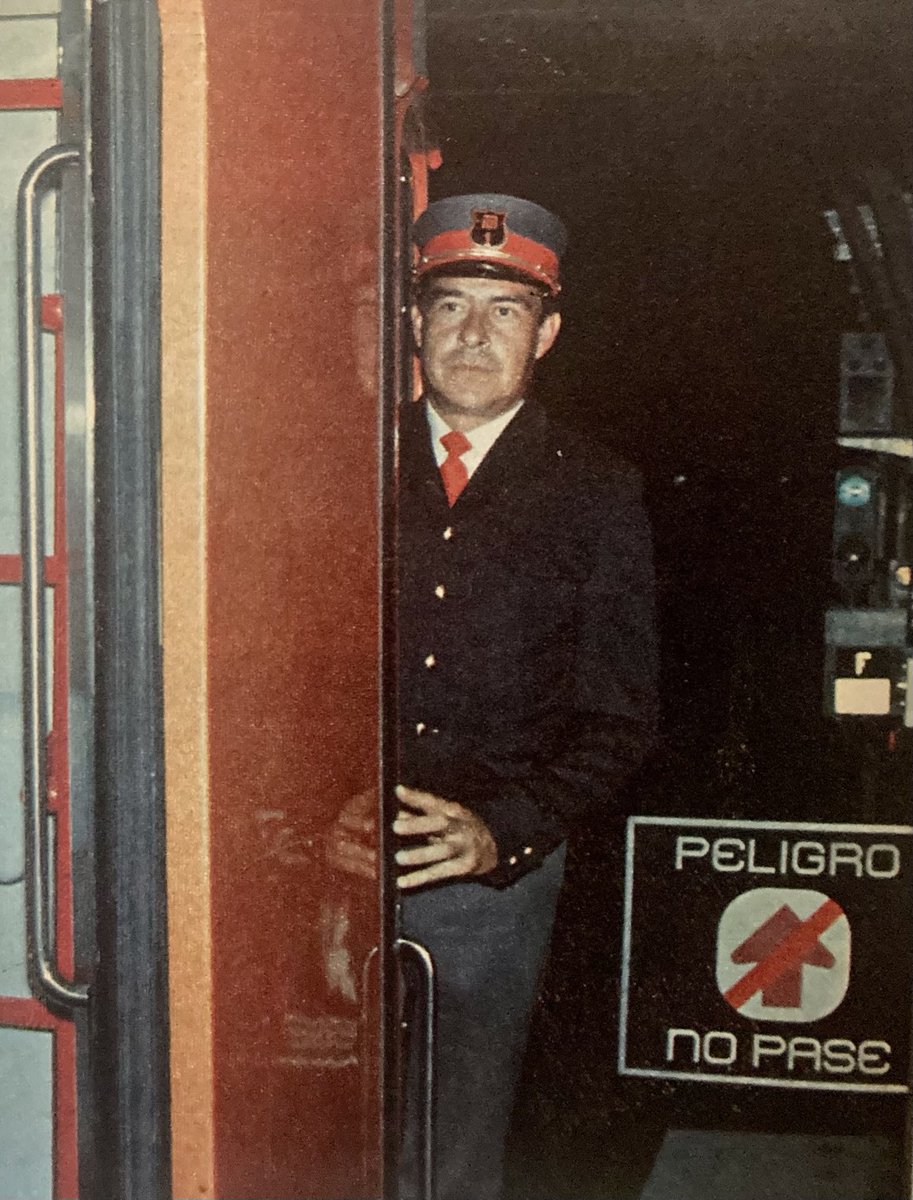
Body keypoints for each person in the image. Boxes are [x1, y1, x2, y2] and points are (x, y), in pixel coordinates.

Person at [393, 193, 659, 1200]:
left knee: (453, 1154)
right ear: (413, 323)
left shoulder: (593, 491)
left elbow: (621, 718)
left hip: (486, 894)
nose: (471, 334)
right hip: (319, 869)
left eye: (503, 313)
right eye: (451, 304)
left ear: (545, 334)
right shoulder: (334, 471)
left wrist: (500, 831)